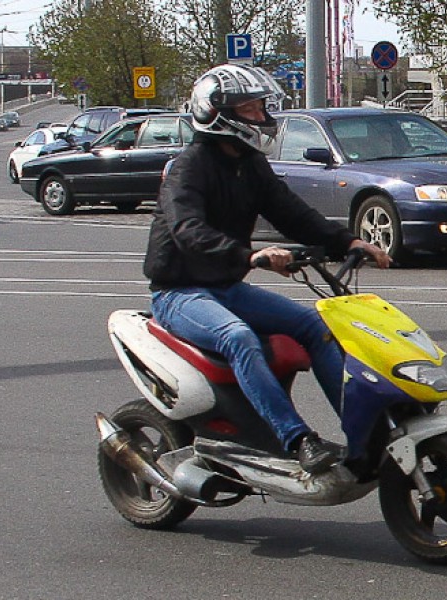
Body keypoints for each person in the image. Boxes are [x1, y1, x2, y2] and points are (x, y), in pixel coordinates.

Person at [143, 64, 391, 474]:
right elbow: (189, 231)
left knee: (317, 325)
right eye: (252, 109)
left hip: (225, 287)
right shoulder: (187, 169)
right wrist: (251, 256)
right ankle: (297, 440)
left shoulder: (251, 165)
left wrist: (349, 241)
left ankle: (363, 437)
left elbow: (291, 212)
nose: (263, 118)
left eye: (262, 108)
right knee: (238, 337)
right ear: (217, 114)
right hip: (179, 293)